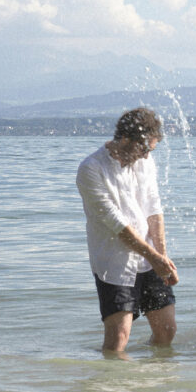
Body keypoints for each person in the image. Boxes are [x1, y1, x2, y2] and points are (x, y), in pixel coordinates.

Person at [76, 107, 178, 355]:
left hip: (150, 258)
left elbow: (154, 208)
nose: (145, 156)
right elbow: (116, 223)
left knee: (167, 330)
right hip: (114, 261)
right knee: (118, 338)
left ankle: (149, 385)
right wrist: (155, 257)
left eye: (150, 151)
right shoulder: (91, 168)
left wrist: (161, 256)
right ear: (125, 139)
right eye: (143, 149)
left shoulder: (145, 161)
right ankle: (115, 391)